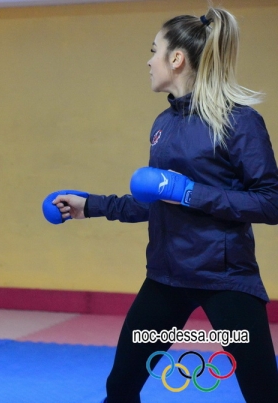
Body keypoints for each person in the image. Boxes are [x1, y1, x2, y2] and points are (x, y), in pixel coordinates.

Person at [47, 6, 278, 402]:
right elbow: (157, 202)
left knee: (264, 393)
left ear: (177, 59)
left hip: (224, 279)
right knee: (120, 387)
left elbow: (270, 202)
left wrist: (190, 192)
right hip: (167, 277)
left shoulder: (239, 122)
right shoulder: (163, 125)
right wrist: (92, 205)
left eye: (154, 51)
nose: (149, 61)